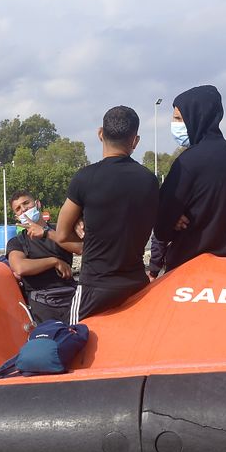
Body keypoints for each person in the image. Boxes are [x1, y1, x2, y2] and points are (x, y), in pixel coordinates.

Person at [51, 106, 158, 321]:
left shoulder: (85, 178)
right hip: (136, 285)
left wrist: (90, 246)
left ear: (100, 134)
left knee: (73, 343)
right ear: (135, 141)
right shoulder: (149, 180)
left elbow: (61, 235)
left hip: (95, 287)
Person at [151, 85, 226, 274]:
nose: (174, 125)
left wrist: (172, 219)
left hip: (189, 268)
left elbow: (161, 224)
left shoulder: (188, 162)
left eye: (178, 119)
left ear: (195, 117)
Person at [5, 189, 78, 323]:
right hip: (41, 303)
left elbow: (82, 248)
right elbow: (20, 267)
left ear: (37, 204)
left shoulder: (60, 232)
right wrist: (54, 261)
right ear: (16, 216)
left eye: (26, 203)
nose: (23, 209)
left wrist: (46, 233)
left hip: (71, 298)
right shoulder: (17, 242)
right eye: (18, 209)